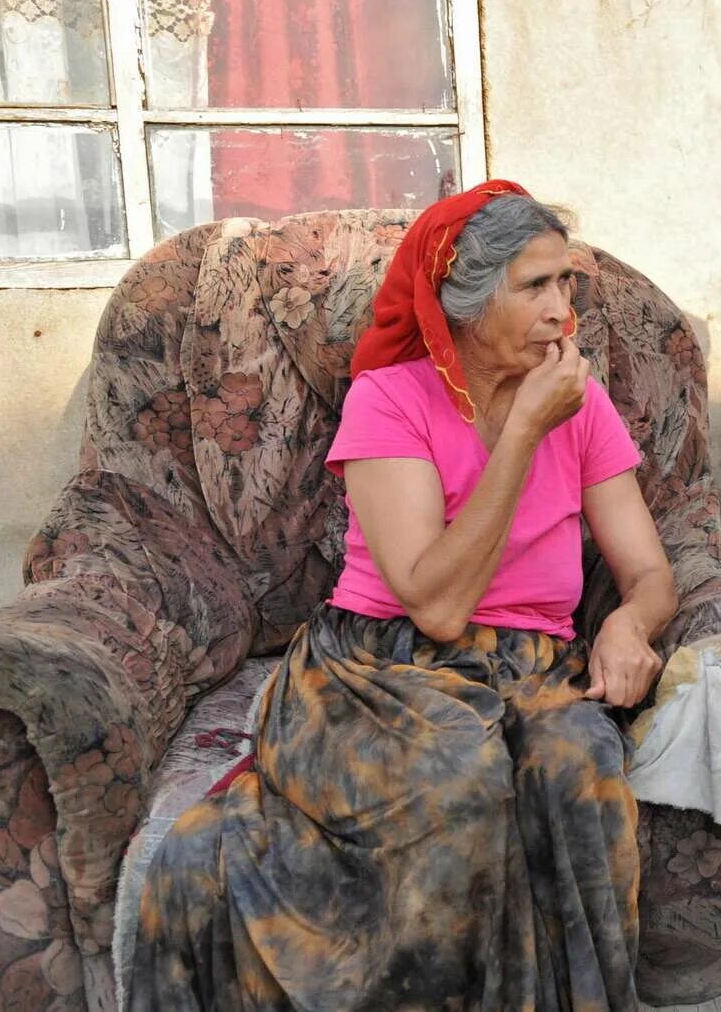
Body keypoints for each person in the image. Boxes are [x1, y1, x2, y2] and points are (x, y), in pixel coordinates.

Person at [132, 183, 670, 1011]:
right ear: (464, 299)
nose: (562, 311)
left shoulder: (580, 402)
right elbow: (438, 605)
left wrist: (631, 622)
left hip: (530, 664)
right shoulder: (393, 398)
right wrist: (524, 429)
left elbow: (649, 570)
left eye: (567, 284)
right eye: (535, 286)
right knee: (458, 779)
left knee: (580, 771)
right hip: (382, 664)